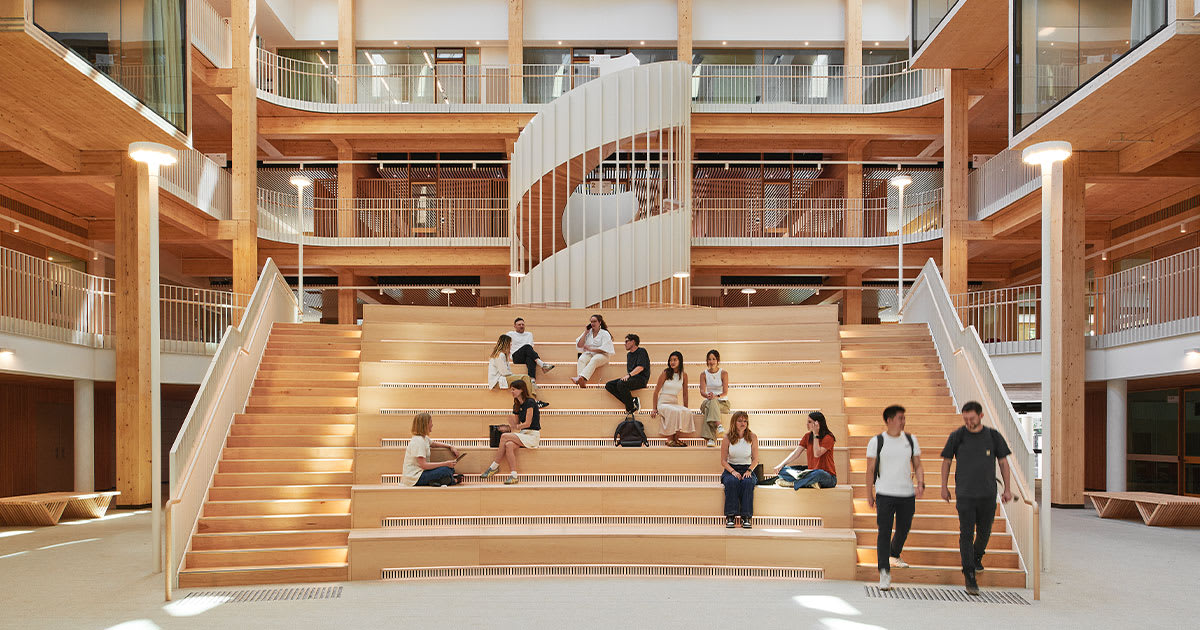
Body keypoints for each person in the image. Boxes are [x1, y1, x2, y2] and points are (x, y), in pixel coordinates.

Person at [940, 400, 1013, 597]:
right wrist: (944, 486)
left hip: (988, 494)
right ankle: (969, 573)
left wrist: (1007, 489)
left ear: (981, 416)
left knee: (985, 531)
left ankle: (977, 556)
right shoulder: (957, 436)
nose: (968, 422)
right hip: (964, 495)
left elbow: (1004, 462)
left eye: (971, 418)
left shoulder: (992, 436)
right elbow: (946, 461)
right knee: (965, 533)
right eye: (965, 419)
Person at [866, 404, 926, 591]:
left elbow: (918, 465)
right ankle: (884, 572)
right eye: (900, 418)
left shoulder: (910, 439)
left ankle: (894, 552)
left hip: (906, 494)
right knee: (884, 532)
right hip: (884, 493)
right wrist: (869, 493)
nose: (903, 421)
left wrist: (921, 482)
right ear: (889, 420)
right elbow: (869, 470)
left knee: (904, 528)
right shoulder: (877, 441)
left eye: (904, 418)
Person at [480, 380, 542, 485]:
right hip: (523, 434)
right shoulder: (516, 404)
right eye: (511, 389)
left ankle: (494, 466)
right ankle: (513, 475)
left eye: (514, 389)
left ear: (521, 390)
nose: (511, 392)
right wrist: (508, 427)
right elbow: (517, 425)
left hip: (532, 435)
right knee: (508, 445)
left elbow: (527, 423)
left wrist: (515, 426)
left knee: (504, 437)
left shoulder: (530, 402)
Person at [774, 411, 837, 489]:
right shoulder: (807, 436)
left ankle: (794, 483)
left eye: (810, 422)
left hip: (827, 477)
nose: (807, 424)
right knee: (783, 470)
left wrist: (816, 434)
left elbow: (817, 454)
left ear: (817, 423)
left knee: (818, 473)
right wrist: (781, 465)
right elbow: (796, 453)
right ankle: (810, 483)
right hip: (810, 472)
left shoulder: (828, 438)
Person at [401, 412, 463, 487]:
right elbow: (424, 465)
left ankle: (442, 480)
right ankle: (450, 480)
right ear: (425, 425)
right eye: (430, 422)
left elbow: (434, 444)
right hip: (415, 478)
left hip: (422, 472)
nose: (432, 425)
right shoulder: (418, 441)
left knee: (450, 469)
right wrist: (445, 463)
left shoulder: (424, 438)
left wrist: (450, 446)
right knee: (446, 470)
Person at [720, 411, 759, 528]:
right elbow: (723, 461)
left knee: (748, 482)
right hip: (731, 468)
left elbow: (756, 459)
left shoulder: (752, 437)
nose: (743, 423)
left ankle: (746, 517)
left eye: (745, 421)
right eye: (740, 421)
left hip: (747, 468)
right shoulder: (727, 438)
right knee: (732, 482)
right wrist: (732, 471)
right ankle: (730, 516)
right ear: (734, 422)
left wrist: (749, 471)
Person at [487, 335, 549, 408]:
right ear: (505, 344)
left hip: (502, 378)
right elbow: (504, 373)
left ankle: (532, 401)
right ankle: (534, 401)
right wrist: (516, 376)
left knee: (525, 378)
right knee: (525, 377)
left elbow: (506, 372)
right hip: (497, 381)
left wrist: (515, 376)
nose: (511, 345)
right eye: (510, 343)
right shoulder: (500, 355)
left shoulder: (503, 355)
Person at [650, 351, 692, 447]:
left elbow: (685, 393)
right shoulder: (665, 373)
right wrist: (654, 408)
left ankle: (676, 439)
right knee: (674, 411)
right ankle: (669, 439)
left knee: (686, 411)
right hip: (663, 402)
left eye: (675, 360)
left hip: (674, 402)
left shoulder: (684, 375)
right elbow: (656, 391)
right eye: (670, 360)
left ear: (680, 361)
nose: (672, 362)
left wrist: (685, 408)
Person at [604, 333, 651, 414]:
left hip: (641, 379)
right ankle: (632, 401)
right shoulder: (629, 355)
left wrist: (628, 375)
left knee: (621, 383)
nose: (624, 344)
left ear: (633, 342)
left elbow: (640, 367)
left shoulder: (641, 351)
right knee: (609, 385)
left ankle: (630, 407)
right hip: (632, 378)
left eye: (626, 341)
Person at [571, 314, 614, 388]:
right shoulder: (588, 332)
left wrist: (591, 349)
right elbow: (580, 345)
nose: (592, 323)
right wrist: (585, 333)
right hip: (590, 354)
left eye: (594, 321)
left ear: (599, 322)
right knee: (581, 359)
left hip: (603, 355)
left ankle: (581, 379)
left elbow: (605, 349)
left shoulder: (605, 333)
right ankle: (581, 380)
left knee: (595, 359)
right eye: (591, 322)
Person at [697, 349, 729, 447]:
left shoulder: (724, 373)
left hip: (723, 403)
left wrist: (716, 396)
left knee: (709, 407)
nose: (711, 362)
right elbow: (702, 391)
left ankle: (711, 439)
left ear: (718, 360)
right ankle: (718, 425)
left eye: (714, 359)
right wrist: (708, 396)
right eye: (709, 359)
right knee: (710, 403)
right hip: (708, 401)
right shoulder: (703, 374)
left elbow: (725, 392)